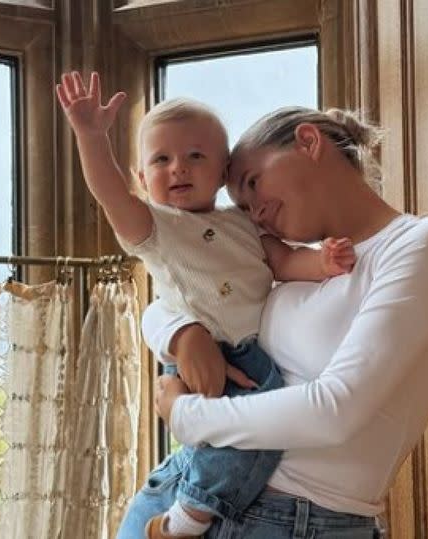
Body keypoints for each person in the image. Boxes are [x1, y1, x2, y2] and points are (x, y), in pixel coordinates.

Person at [55, 71, 356, 539]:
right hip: (211, 355)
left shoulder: (244, 223)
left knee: (254, 439)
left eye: (196, 156)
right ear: (141, 176)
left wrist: (322, 264)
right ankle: (187, 519)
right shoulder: (156, 228)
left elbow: (283, 261)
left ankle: (189, 510)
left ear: (222, 171)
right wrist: (91, 137)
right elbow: (109, 193)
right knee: (243, 440)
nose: (179, 167)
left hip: (253, 355)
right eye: (162, 159)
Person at [147, 106, 428, 538]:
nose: (256, 214)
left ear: (308, 141)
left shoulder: (420, 246)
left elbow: (335, 410)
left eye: (253, 183)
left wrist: (187, 415)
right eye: (243, 206)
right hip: (182, 485)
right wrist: (182, 333)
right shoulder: (293, 266)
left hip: (290, 520)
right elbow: (181, 295)